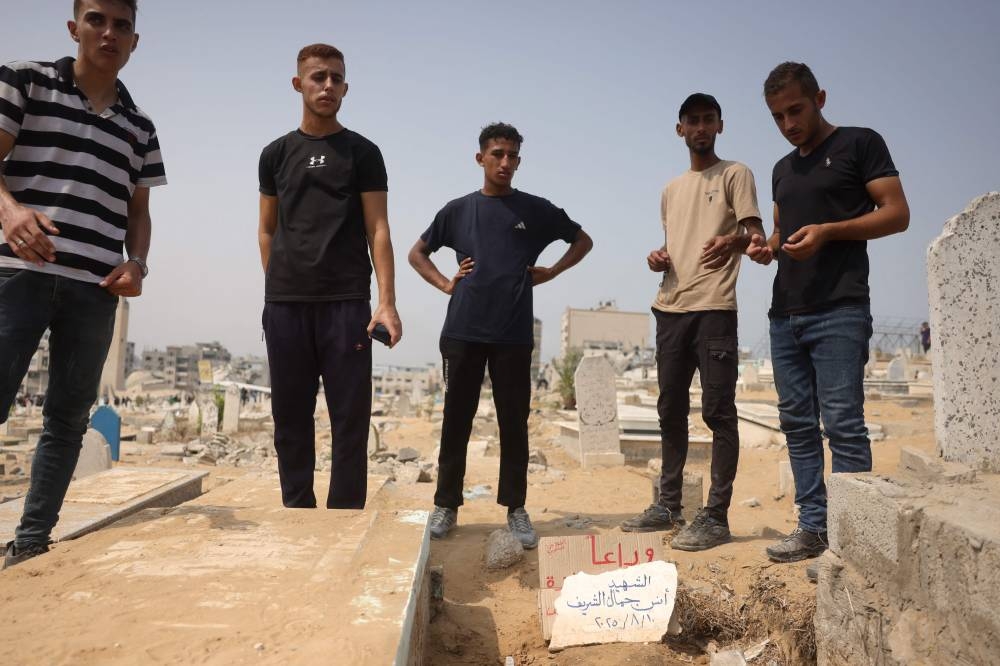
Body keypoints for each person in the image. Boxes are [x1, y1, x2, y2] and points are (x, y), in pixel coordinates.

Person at [0, 0, 166, 568]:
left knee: (68, 418)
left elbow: (138, 210)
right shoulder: (25, 81)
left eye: (122, 25)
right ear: (75, 27)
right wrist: (10, 210)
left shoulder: (140, 125)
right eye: (97, 20)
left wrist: (138, 262)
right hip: (17, 273)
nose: (109, 33)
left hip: (96, 289)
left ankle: (30, 542)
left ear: (135, 40)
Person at [747, 62, 910, 563]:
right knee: (796, 423)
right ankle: (814, 527)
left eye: (796, 109)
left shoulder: (860, 143)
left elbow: (897, 214)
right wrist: (764, 247)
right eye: (777, 116)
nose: (789, 123)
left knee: (842, 423)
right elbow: (780, 232)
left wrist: (829, 231)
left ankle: (854, 536)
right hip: (785, 313)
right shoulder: (781, 168)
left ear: (819, 97)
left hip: (840, 307)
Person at [409, 123, 592, 548]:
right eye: (497, 154)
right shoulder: (457, 210)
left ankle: (516, 509)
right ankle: (446, 505)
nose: (504, 162)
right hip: (463, 330)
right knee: (457, 420)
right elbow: (417, 253)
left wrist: (553, 270)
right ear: (480, 158)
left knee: (515, 423)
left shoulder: (535, 209)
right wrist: (444, 283)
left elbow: (582, 240)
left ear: (519, 161)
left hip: (512, 333)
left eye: (511, 155)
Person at [258, 43, 401, 510]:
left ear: (346, 87)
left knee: (349, 421)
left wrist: (387, 301)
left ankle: (343, 518)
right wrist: (279, 284)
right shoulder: (275, 154)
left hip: (346, 304)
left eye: (336, 78)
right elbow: (266, 230)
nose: (328, 86)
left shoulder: (363, 152)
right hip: (286, 306)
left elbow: (377, 228)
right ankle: (297, 513)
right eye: (318, 77)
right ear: (298, 84)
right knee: (291, 420)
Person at [620, 94, 764, 551]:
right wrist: (658, 257)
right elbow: (676, 245)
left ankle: (717, 515)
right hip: (670, 308)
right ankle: (668, 506)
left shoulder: (736, 174)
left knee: (719, 413)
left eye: (708, 120)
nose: (700, 128)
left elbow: (756, 237)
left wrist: (735, 241)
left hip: (715, 308)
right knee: (669, 410)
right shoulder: (671, 189)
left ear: (720, 125)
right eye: (692, 121)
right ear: (679, 129)